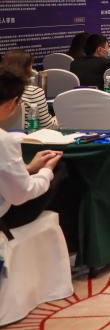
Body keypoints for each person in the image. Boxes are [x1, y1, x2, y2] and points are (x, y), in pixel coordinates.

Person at [0, 66, 64, 231]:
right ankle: (74, 240)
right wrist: (46, 171)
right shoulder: (3, 140)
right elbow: (21, 195)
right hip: (5, 217)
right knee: (62, 169)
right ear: (13, 102)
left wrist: (28, 168)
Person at [0, 50, 57, 130]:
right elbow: (47, 126)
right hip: (29, 135)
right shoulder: (34, 92)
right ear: (28, 68)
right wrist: (56, 120)